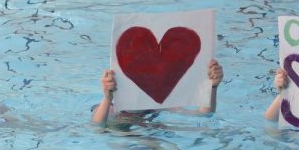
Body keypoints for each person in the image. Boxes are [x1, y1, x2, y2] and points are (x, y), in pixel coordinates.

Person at [91, 59, 224, 126]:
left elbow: (204, 114)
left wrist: (212, 87)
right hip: (122, 135)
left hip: (150, 131)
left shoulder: (157, 106)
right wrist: (107, 98)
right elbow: (98, 126)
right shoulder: (111, 108)